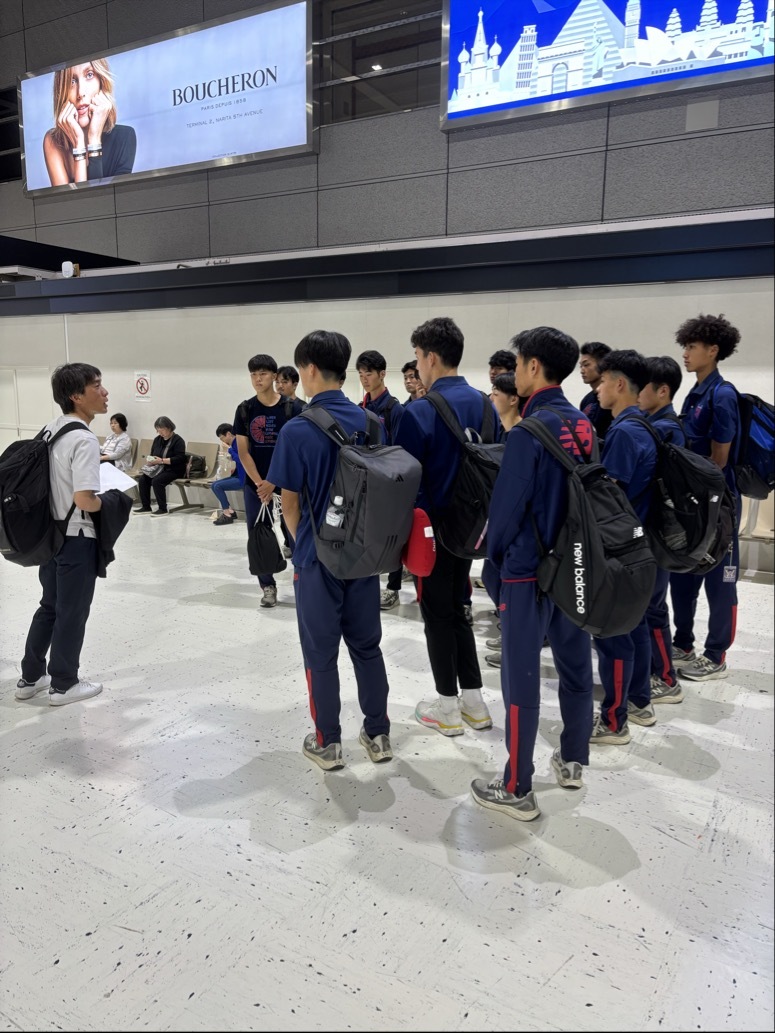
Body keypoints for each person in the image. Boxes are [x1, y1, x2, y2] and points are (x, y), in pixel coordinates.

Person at [470, 328, 596, 820]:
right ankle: (573, 759)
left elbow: (504, 512)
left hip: (527, 571)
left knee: (520, 680)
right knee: (575, 666)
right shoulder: (583, 425)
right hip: (576, 565)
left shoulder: (526, 431)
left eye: (519, 364)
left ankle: (517, 786)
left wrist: (493, 561)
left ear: (534, 367)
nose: (514, 372)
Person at [267, 330, 392, 771]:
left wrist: (306, 545)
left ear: (310, 369)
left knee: (320, 654)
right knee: (367, 647)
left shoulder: (297, 429)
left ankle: (328, 742)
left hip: (317, 559)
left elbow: (290, 504)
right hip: (364, 556)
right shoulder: (372, 423)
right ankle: (378, 733)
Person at [394, 317, 492, 736]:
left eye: (418, 357)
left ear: (431, 357)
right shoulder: (486, 405)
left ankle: (448, 707)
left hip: (431, 532)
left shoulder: (418, 411)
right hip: (473, 527)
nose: (418, 365)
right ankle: (474, 701)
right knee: (459, 608)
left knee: (436, 613)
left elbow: (403, 481)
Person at [15, 363, 108, 705]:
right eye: (97, 386)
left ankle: (30, 678)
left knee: (50, 606)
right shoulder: (83, 438)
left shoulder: (50, 429)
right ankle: (64, 684)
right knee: (72, 611)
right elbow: (84, 499)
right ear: (76, 396)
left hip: (49, 535)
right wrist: (111, 501)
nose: (105, 392)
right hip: (76, 537)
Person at [591, 349, 658, 745]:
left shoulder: (623, 434)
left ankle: (614, 722)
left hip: (621, 550)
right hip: (642, 546)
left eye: (602, 381)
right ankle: (639, 701)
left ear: (619, 384)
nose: (598, 389)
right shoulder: (644, 425)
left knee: (613, 635)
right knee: (635, 628)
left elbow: (609, 500)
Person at [670, 313, 742, 682]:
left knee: (719, 581)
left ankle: (716, 655)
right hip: (694, 501)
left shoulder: (722, 394)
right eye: (685, 346)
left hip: (718, 505)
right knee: (683, 574)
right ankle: (682, 643)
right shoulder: (695, 392)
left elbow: (719, 460)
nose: (685, 353)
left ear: (712, 350)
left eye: (692, 346)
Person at [638, 356, 687, 703]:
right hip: (651, 532)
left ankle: (667, 679)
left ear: (663, 391)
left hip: (657, 533)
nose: (637, 393)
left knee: (654, 607)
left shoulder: (667, 430)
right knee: (649, 605)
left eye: (643, 386)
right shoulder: (653, 423)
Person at [233, 354, 299, 608]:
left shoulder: (292, 409)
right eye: (253, 374)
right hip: (256, 485)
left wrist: (274, 481)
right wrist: (261, 484)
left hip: (287, 483)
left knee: (295, 533)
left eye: (262, 373)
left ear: (274, 376)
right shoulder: (245, 409)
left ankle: (302, 580)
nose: (257, 379)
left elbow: (295, 451)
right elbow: (243, 452)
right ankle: (267, 585)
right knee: (258, 534)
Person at [356, 349, 406, 611]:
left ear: (382, 374)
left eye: (369, 373)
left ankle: (393, 588)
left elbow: (400, 451)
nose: (364, 378)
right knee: (366, 537)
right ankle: (366, 583)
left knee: (392, 538)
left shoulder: (394, 409)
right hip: (365, 483)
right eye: (361, 374)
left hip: (389, 485)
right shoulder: (360, 408)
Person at [43, 59, 136, 187]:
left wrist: (94, 139)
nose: (80, 93)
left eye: (89, 75)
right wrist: (79, 143)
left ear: (101, 82)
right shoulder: (53, 141)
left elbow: (101, 197)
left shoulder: (125, 137)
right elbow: (72, 199)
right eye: (71, 81)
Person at [135, 417, 186, 516]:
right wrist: (151, 460)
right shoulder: (157, 440)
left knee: (157, 481)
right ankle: (146, 507)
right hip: (159, 468)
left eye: (162, 430)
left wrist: (162, 461)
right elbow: (153, 454)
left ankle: (162, 508)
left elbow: (180, 458)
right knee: (143, 479)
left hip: (174, 469)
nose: (160, 433)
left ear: (169, 428)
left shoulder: (178, 440)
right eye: (158, 430)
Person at [210, 423, 245, 525]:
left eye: (222, 438)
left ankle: (227, 514)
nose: (222, 441)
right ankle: (229, 510)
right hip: (238, 475)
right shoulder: (234, 443)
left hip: (244, 478)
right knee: (214, 485)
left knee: (217, 486)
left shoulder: (238, 443)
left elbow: (242, 459)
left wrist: (229, 449)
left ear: (228, 434)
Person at [579, 341, 614, 444]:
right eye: (581, 366)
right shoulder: (586, 400)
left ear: (602, 364)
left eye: (586, 365)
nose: (582, 370)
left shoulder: (614, 398)